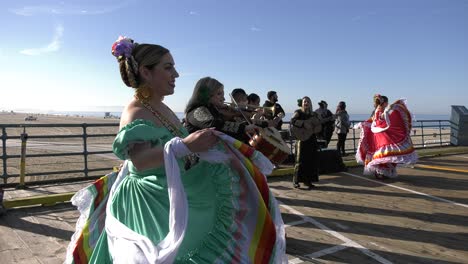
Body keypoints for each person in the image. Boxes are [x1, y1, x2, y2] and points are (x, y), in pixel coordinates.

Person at [65, 36, 286, 263]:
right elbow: (139, 160)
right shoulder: (136, 111)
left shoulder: (159, 106)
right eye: (168, 67)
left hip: (169, 192)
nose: (176, 74)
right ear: (146, 72)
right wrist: (186, 145)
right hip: (150, 204)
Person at [356, 94, 418, 179]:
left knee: (384, 155)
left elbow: (374, 120)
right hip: (382, 136)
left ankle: (383, 172)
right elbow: (380, 120)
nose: (387, 104)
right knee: (384, 154)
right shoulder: (381, 110)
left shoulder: (378, 110)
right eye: (387, 102)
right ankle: (381, 173)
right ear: (384, 102)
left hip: (380, 136)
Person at [184, 77, 257, 141]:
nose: (223, 98)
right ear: (206, 95)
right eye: (219, 94)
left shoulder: (213, 110)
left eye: (223, 94)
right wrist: (244, 128)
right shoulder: (196, 110)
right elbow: (213, 125)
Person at [290, 96, 321, 189]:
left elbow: (318, 124)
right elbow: (292, 121)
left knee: (311, 160)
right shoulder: (298, 112)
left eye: (308, 101)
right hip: (301, 139)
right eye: (304, 102)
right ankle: (295, 181)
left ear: (310, 103)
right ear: (302, 103)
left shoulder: (314, 114)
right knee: (300, 160)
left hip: (311, 138)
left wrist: (316, 127)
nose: (306, 103)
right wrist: (303, 123)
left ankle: (308, 181)